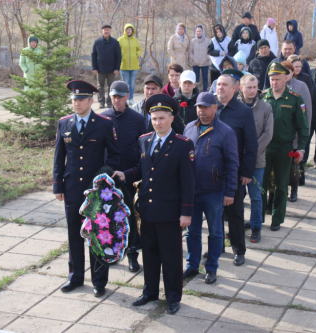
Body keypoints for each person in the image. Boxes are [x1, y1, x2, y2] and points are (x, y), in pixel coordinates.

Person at [113, 94, 196, 315]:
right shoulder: (145, 140)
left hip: (170, 212)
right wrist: (125, 174)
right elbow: (143, 170)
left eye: (161, 118)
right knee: (149, 255)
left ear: (171, 119)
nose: (157, 122)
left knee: (171, 257)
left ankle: (173, 297)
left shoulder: (182, 145)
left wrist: (186, 212)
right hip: (148, 211)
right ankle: (150, 291)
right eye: (154, 118)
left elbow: (188, 182)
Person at [53, 80, 121, 297]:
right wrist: (58, 185)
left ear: (91, 101)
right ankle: (75, 277)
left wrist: (105, 177)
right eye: (74, 100)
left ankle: (99, 281)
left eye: (81, 100)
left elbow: (115, 154)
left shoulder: (103, 124)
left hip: (95, 191)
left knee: (97, 234)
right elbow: (59, 157)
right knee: (74, 234)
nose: (77, 103)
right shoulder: (64, 124)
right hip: (72, 188)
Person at [183, 92, 239, 284]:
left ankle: (212, 268)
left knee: (215, 232)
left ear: (215, 108)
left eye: (206, 107)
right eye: (199, 107)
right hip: (191, 191)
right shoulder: (189, 128)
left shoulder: (225, 132)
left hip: (214, 192)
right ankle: (192, 265)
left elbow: (233, 163)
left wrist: (230, 192)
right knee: (192, 231)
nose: (202, 110)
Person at [101, 81, 146, 272]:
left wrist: (129, 174)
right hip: (108, 178)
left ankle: (133, 255)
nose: (116, 100)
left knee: (131, 219)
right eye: (113, 96)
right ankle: (110, 252)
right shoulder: (102, 117)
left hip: (130, 177)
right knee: (108, 218)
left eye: (120, 96)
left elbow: (143, 153)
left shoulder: (138, 120)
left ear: (128, 96)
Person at [216, 72, 258, 266]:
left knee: (235, 212)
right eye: (218, 85)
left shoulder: (243, 111)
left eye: (225, 85)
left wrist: (247, 172)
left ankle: (238, 249)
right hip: (212, 173)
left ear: (234, 88)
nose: (220, 88)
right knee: (214, 213)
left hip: (234, 172)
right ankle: (217, 247)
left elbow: (251, 144)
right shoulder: (211, 109)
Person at [261, 63, 309, 231]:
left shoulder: (295, 98)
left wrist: (301, 148)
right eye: (272, 79)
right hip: (265, 148)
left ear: (285, 78)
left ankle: (277, 218)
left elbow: (303, 127)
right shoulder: (263, 97)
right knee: (261, 183)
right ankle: (258, 218)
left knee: (281, 185)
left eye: (277, 79)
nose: (274, 83)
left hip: (284, 148)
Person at [238, 75, 273, 243]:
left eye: (254, 87)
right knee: (237, 196)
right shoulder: (235, 107)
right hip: (237, 160)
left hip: (257, 161)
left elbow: (268, 134)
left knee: (256, 196)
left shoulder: (265, 108)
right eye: (248, 87)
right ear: (241, 88)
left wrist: (251, 153)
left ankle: (256, 227)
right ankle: (237, 226)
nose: (252, 90)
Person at [282, 61, 312, 202]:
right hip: (281, 134)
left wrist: (304, 132)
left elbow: (306, 111)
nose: (285, 75)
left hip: (295, 134)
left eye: (287, 72)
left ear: (292, 72)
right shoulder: (277, 86)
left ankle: (294, 190)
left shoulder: (301, 86)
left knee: (295, 165)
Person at [92, 24, 121, 108]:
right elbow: (93, 55)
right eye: (104, 30)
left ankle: (109, 102)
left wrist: (117, 68)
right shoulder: (97, 42)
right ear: (102, 31)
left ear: (110, 31)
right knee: (100, 86)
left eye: (108, 29)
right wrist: (94, 67)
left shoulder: (115, 42)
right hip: (100, 69)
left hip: (112, 69)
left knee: (111, 87)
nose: (106, 31)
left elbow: (118, 56)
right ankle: (101, 102)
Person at [118, 24, 142, 104]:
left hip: (134, 66)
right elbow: (117, 51)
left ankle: (131, 99)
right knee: (125, 84)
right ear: (125, 30)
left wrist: (137, 55)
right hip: (124, 66)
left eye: (130, 29)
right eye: (127, 29)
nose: (128, 31)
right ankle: (125, 99)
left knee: (132, 84)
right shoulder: (120, 40)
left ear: (132, 31)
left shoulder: (135, 40)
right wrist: (121, 56)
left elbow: (139, 49)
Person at [189, 24, 211, 92]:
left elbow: (210, 51)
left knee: (205, 78)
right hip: (195, 63)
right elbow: (190, 51)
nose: (198, 32)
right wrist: (192, 58)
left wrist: (207, 57)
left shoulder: (207, 41)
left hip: (205, 63)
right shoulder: (193, 41)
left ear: (203, 31)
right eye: (197, 31)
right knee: (196, 79)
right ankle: (196, 91)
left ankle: (205, 92)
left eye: (200, 31)